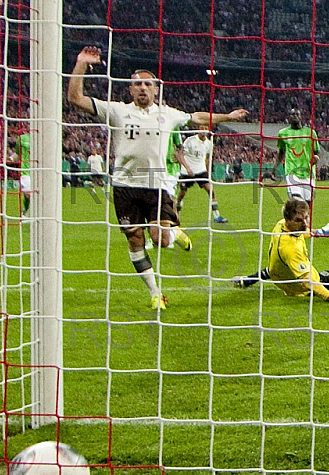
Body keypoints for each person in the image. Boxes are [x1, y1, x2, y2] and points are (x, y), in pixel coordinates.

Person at [68, 45, 248, 310]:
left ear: (155, 89)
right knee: (134, 240)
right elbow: (75, 99)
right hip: (125, 187)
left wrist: (226, 116)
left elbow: (197, 117)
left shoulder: (167, 114)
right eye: (137, 84)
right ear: (130, 89)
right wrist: (82, 63)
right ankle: (155, 292)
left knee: (160, 239)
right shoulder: (117, 110)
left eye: (147, 84)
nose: (142, 88)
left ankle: (177, 236)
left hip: (156, 185)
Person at [175, 126, 228, 223]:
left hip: (200, 170)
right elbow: (181, 155)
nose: (203, 131)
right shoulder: (190, 140)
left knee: (210, 190)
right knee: (182, 193)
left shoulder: (208, 143)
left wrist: (207, 171)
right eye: (201, 128)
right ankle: (176, 213)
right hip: (187, 171)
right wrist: (187, 168)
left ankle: (217, 216)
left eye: (205, 128)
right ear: (198, 129)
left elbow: (207, 158)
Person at [275, 108, 320, 203]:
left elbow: (316, 152)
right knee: (297, 201)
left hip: (308, 172)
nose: (295, 116)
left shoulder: (311, 133)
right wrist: (274, 168)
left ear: (301, 117)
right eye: (292, 114)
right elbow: (281, 153)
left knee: (307, 204)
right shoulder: (283, 133)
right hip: (291, 171)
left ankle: (298, 218)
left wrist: (315, 158)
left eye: (297, 114)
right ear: (289, 118)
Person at [14, 132, 32, 216]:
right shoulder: (22, 138)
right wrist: (11, 158)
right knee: (28, 195)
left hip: (38, 170)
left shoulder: (43, 138)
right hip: (25, 170)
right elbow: (17, 153)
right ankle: (26, 211)